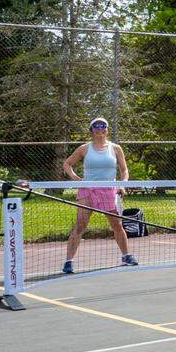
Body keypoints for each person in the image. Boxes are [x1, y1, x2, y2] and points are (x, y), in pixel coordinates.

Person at [61, 117, 137, 273]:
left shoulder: (116, 148)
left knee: (117, 225)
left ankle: (126, 255)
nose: (100, 129)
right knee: (80, 226)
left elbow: (124, 170)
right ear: (91, 130)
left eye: (103, 126)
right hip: (88, 190)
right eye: (96, 126)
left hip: (109, 190)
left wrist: (122, 185)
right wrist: (76, 179)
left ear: (107, 130)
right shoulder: (84, 148)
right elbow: (67, 164)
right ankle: (68, 262)